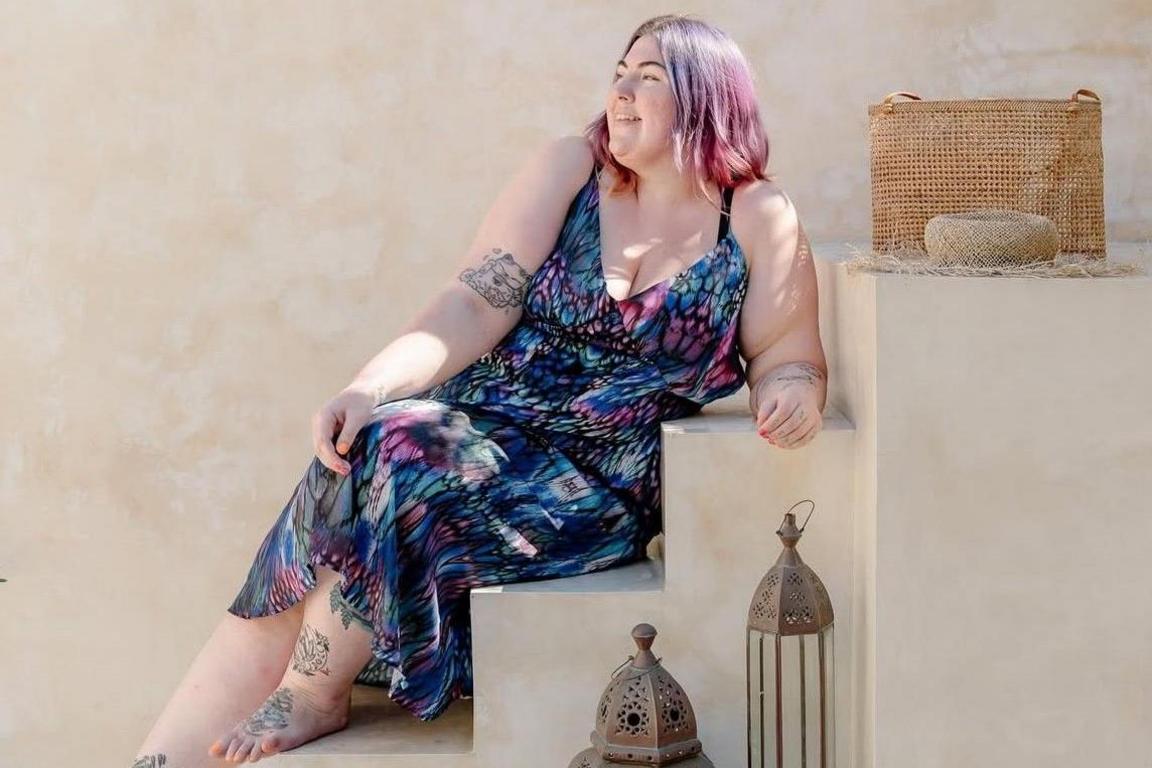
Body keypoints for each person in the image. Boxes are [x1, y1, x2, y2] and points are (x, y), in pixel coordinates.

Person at [131, 13, 827, 767]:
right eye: (620, 72)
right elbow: (475, 299)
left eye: (649, 78)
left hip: (597, 488)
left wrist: (792, 390)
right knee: (369, 444)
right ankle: (163, 758)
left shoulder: (754, 217)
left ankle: (311, 690)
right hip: (484, 430)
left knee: (397, 453)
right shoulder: (571, 170)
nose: (621, 92)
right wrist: (369, 385)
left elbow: (789, 354)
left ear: (706, 96)